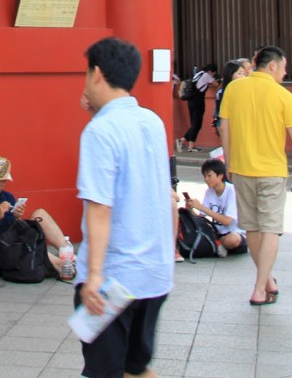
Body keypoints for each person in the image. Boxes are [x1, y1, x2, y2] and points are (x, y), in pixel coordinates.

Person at [75, 37, 173, 378]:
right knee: (135, 367)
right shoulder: (152, 121)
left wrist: (94, 276)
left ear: (97, 73)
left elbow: (99, 207)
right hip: (154, 274)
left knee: (105, 371)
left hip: (114, 279)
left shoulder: (99, 132)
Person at [219, 44, 292, 306]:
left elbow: (224, 128)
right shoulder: (283, 95)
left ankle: (267, 281)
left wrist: (229, 162)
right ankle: (259, 289)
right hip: (272, 172)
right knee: (271, 229)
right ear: (273, 65)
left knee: (252, 228)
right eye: (284, 67)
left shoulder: (234, 88)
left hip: (241, 169)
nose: (285, 73)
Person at [0, 156, 70, 275]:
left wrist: (18, 216)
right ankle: (63, 264)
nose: (1, 184)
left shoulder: (8, 197)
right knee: (28, 244)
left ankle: (67, 253)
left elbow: (18, 228)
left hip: (14, 241)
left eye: (4, 180)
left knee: (39, 214)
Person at [183, 158, 247, 255]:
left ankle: (218, 245)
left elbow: (227, 221)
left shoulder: (232, 191)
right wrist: (190, 209)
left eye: (209, 176)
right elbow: (202, 220)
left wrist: (201, 207)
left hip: (234, 233)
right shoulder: (209, 191)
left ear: (220, 176)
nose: (206, 179)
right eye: (204, 176)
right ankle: (218, 245)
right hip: (217, 233)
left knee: (233, 239)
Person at [176, 63, 218, 153]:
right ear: (211, 71)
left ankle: (184, 141)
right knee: (197, 124)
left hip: (191, 101)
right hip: (198, 102)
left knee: (194, 124)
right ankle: (189, 145)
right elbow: (216, 84)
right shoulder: (207, 75)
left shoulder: (198, 73)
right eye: (214, 73)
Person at [212, 59, 247, 132]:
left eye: (244, 73)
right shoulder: (221, 93)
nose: (243, 76)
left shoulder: (247, 91)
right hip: (229, 129)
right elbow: (219, 116)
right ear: (230, 75)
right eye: (239, 73)